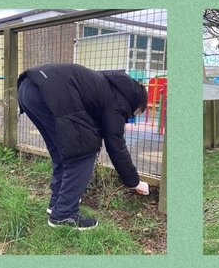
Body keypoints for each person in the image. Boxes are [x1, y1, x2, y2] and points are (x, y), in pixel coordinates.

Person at [16, 63, 151, 230]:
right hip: (50, 92)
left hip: (28, 88)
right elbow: (115, 144)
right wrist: (134, 182)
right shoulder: (121, 102)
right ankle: (64, 214)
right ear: (137, 104)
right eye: (135, 114)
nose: (130, 117)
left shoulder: (109, 83)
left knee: (61, 152)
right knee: (83, 151)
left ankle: (57, 204)